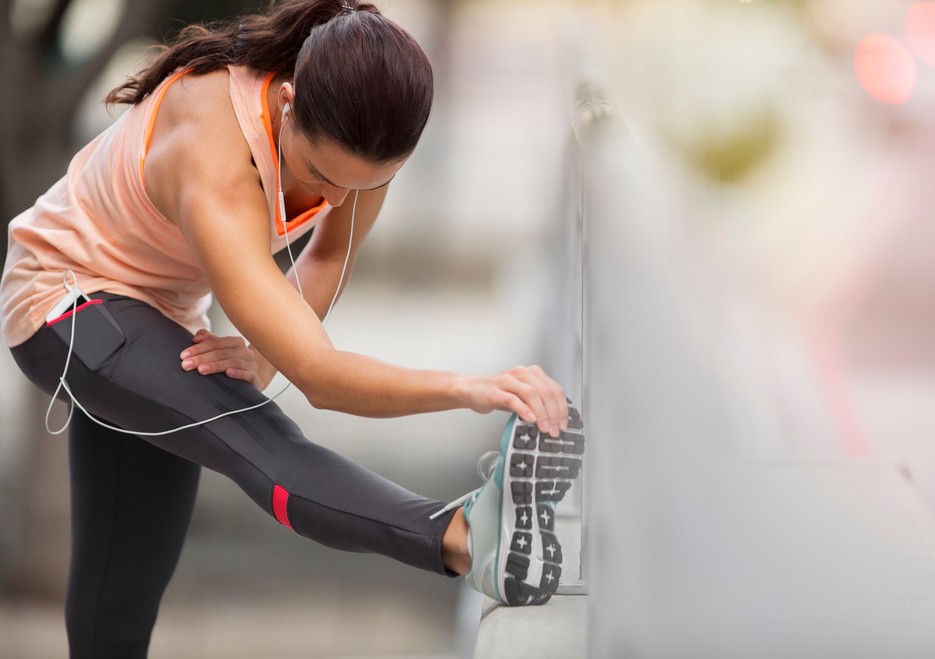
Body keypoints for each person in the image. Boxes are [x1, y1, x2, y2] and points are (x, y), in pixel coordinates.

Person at [0, 0, 585, 656]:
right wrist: (474, 387)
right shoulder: (214, 157)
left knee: (120, 601)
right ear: (285, 103)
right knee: (262, 443)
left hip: (163, 314)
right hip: (67, 302)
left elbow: (329, 255)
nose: (336, 200)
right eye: (323, 177)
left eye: (366, 186)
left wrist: (261, 355)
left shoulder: (366, 129)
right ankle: (469, 537)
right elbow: (322, 376)